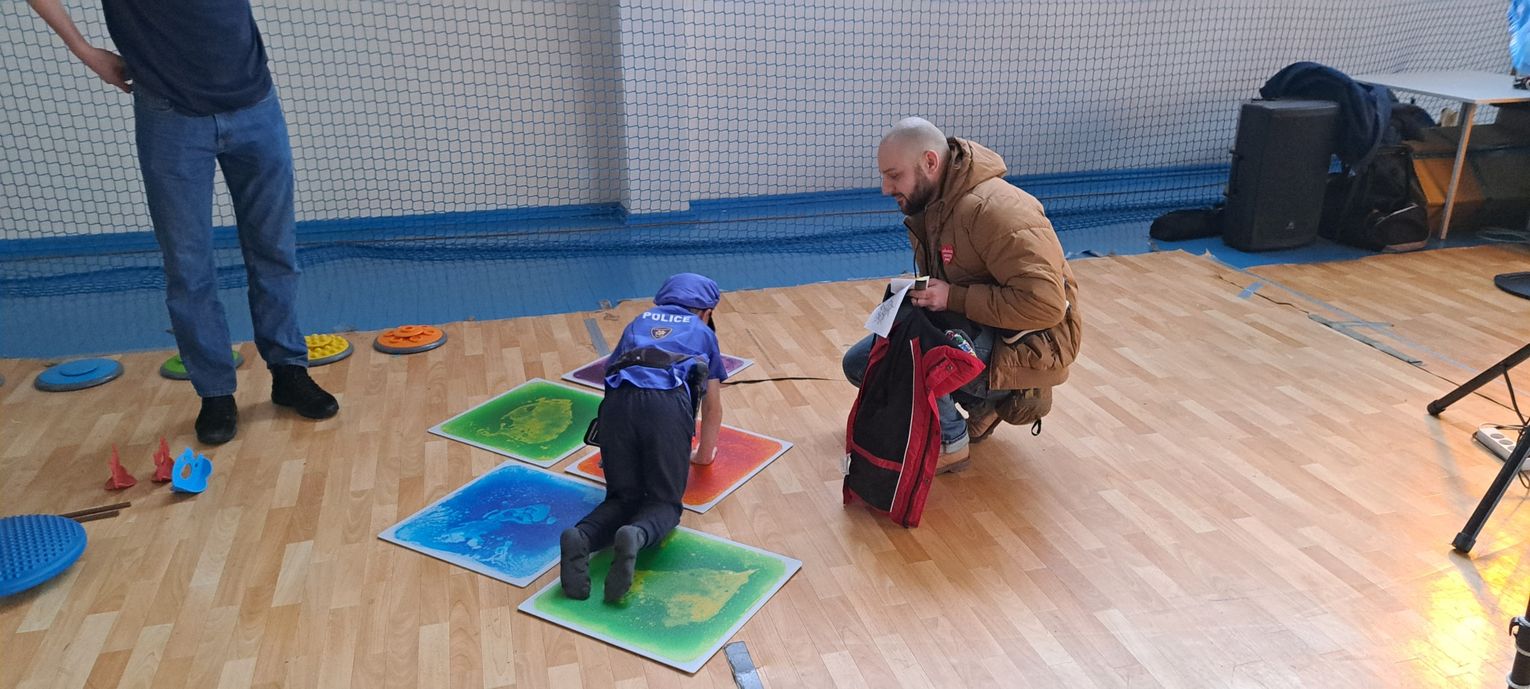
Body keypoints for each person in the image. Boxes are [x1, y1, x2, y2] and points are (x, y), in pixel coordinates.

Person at [27, 0, 339, 444]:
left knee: (275, 249)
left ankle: (289, 370)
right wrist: (83, 49)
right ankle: (215, 393)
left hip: (255, 102)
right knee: (188, 266)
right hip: (171, 116)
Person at [843, 117, 1082, 473]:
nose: (885, 188)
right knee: (862, 363)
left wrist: (952, 297)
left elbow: (1046, 305)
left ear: (930, 162)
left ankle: (951, 441)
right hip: (987, 329)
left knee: (916, 345)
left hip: (1036, 347)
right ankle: (983, 406)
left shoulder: (997, 210)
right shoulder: (933, 204)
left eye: (894, 176)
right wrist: (920, 290)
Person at [560, 273, 727, 603]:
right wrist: (704, 455)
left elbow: (610, 377)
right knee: (663, 503)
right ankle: (635, 535)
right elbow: (712, 406)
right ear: (707, 312)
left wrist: (615, 449)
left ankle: (581, 536)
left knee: (622, 499)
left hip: (617, 408)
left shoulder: (638, 322)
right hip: (666, 407)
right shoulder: (703, 333)